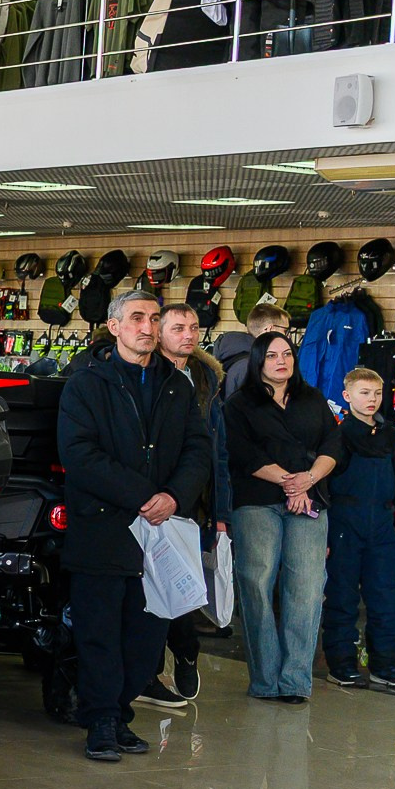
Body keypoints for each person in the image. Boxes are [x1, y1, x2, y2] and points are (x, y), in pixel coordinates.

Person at [58, 288, 211, 757]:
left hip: (159, 535)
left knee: (146, 638)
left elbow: (198, 449)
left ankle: (120, 712)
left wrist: (174, 496)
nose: (147, 327)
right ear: (115, 327)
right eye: (137, 318)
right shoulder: (87, 384)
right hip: (102, 530)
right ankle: (101, 720)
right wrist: (145, 494)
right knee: (99, 633)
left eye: (153, 318)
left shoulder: (176, 385)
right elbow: (80, 456)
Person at [224, 330, 340, 703]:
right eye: (271, 355)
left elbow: (333, 445)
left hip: (310, 500)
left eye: (287, 354)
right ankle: (265, 678)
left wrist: (307, 482)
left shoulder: (313, 399)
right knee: (256, 585)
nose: (281, 361)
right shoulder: (240, 404)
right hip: (257, 500)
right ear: (258, 362)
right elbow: (241, 452)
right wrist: (292, 483)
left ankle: (294, 682)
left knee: (305, 589)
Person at [136, 301, 231, 707]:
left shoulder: (206, 378)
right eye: (178, 327)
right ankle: (151, 673)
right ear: (160, 333)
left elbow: (217, 452)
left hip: (194, 499)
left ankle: (186, 649)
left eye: (193, 327)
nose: (188, 335)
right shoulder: (145, 374)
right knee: (151, 589)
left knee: (183, 586)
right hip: (149, 496)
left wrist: (222, 514)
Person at [322, 366, 395, 690]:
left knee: (386, 597)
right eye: (364, 393)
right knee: (342, 596)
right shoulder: (338, 434)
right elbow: (324, 483)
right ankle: (342, 663)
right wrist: (324, 532)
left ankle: (385, 664)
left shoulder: (390, 435)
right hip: (345, 522)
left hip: (381, 525)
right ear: (348, 397)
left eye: (377, 393)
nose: (372, 399)